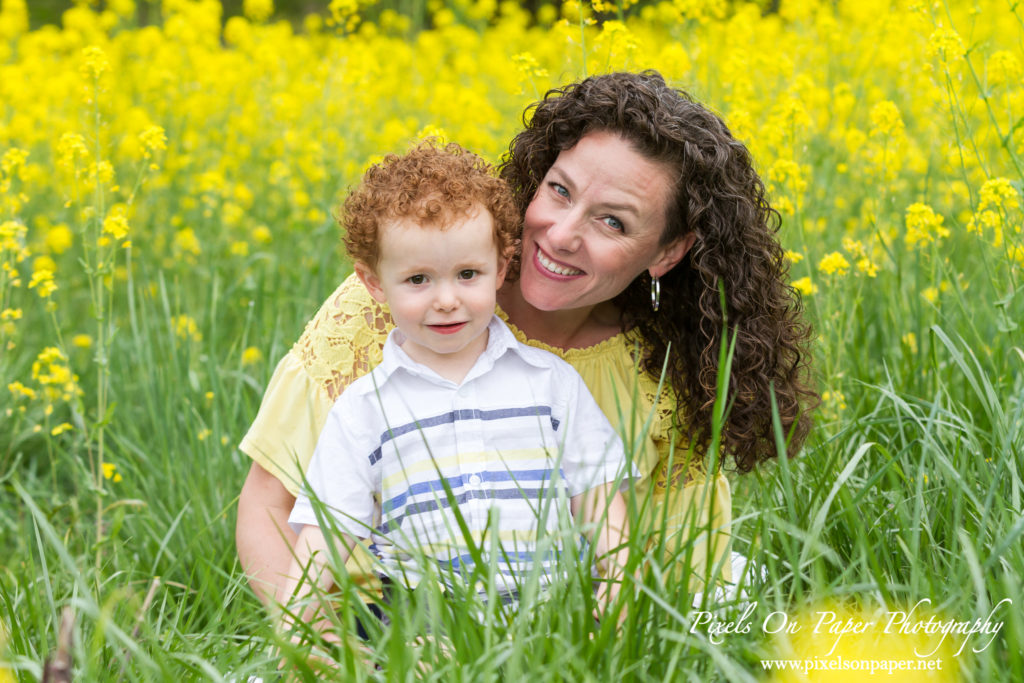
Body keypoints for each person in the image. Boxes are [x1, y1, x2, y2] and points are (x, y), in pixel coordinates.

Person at [238, 70, 817, 607]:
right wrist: (328, 650)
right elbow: (270, 506)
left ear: (667, 251)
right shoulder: (401, 306)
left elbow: (684, 569)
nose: (561, 234)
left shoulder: (664, 372)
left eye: (612, 221)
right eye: (560, 191)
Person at [276, 142, 634, 632]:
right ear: (374, 283)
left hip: (549, 613)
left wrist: (617, 585)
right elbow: (327, 534)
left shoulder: (550, 384)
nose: (446, 300)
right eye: (418, 279)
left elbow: (598, 497)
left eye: (468, 274)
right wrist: (300, 632)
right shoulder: (363, 409)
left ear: (501, 269)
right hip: (421, 621)